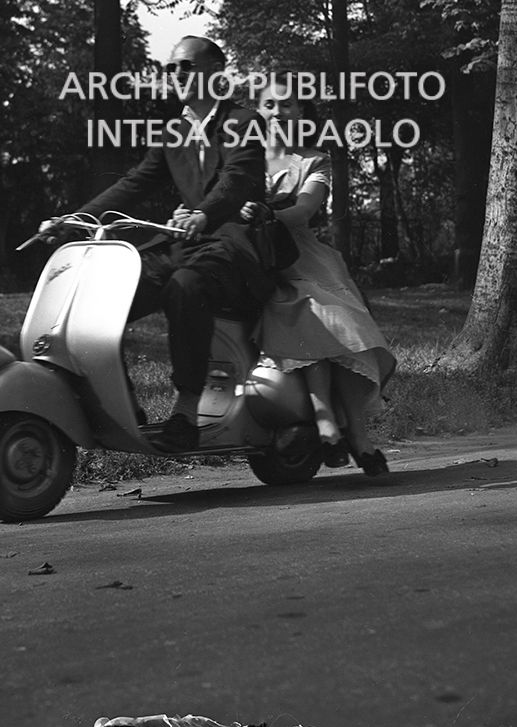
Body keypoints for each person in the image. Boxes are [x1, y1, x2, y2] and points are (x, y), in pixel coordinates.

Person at [56, 35, 275, 454]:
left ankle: (186, 413)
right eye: (172, 68)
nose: (176, 75)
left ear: (216, 71)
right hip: (184, 240)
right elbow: (135, 182)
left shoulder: (243, 121)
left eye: (186, 66)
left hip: (232, 244)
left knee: (185, 286)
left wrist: (203, 214)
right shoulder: (174, 130)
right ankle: (117, 406)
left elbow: (236, 179)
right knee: (107, 293)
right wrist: (75, 219)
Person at [242, 75, 397, 477]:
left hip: (298, 254)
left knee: (330, 319)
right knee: (302, 312)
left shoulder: (313, 160)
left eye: (288, 104)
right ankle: (333, 424)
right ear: (257, 109)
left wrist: (271, 214)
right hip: (247, 255)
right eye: (269, 105)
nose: (278, 112)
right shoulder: (242, 157)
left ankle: (349, 432)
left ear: (301, 111)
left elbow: (305, 208)